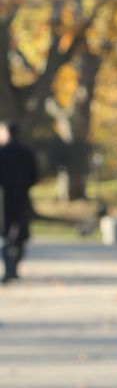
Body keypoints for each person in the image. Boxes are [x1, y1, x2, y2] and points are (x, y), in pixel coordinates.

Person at [0, 121, 39, 284]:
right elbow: (35, 175)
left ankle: (9, 268)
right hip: (23, 195)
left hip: (4, 197)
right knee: (21, 232)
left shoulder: (2, 152)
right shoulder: (27, 152)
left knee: (4, 234)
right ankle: (14, 266)